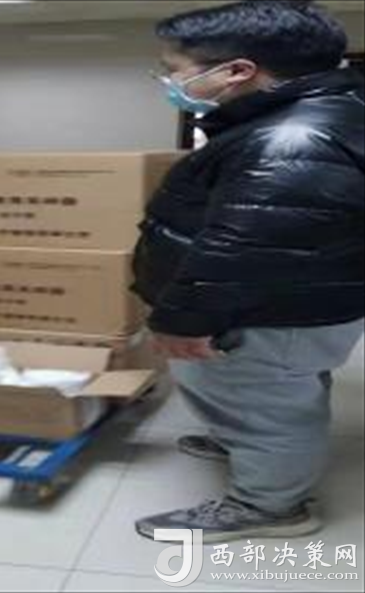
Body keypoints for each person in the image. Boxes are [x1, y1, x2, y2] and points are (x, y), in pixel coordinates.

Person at [132, 0, 364, 543]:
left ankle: (269, 505)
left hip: (267, 311)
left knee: (268, 406)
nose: (168, 81)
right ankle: (243, 437)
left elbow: (242, 246)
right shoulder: (322, 112)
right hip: (300, 301)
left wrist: (183, 321)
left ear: (237, 71)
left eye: (174, 69)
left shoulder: (288, 140)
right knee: (276, 391)